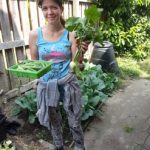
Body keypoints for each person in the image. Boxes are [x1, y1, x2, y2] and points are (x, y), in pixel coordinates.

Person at [29, 0, 88, 150]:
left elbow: (79, 66)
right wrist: (37, 80)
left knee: (74, 121)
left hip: (68, 82)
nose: (49, 12)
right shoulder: (35, 35)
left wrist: (81, 54)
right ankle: (58, 146)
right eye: (45, 8)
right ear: (41, 10)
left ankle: (80, 147)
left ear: (61, 8)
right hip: (47, 85)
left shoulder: (71, 34)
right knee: (53, 120)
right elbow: (35, 64)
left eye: (54, 7)